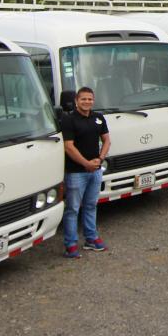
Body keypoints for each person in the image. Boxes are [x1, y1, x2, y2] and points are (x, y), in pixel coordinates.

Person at [60, 86, 110, 258]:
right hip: (76, 172)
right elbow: (68, 146)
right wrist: (85, 163)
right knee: (72, 209)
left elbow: (107, 140)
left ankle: (91, 238)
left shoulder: (98, 118)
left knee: (91, 205)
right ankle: (71, 245)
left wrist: (100, 159)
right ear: (76, 101)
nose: (87, 102)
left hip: (95, 170)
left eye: (90, 99)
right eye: (83, 99)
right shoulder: (68, 120)